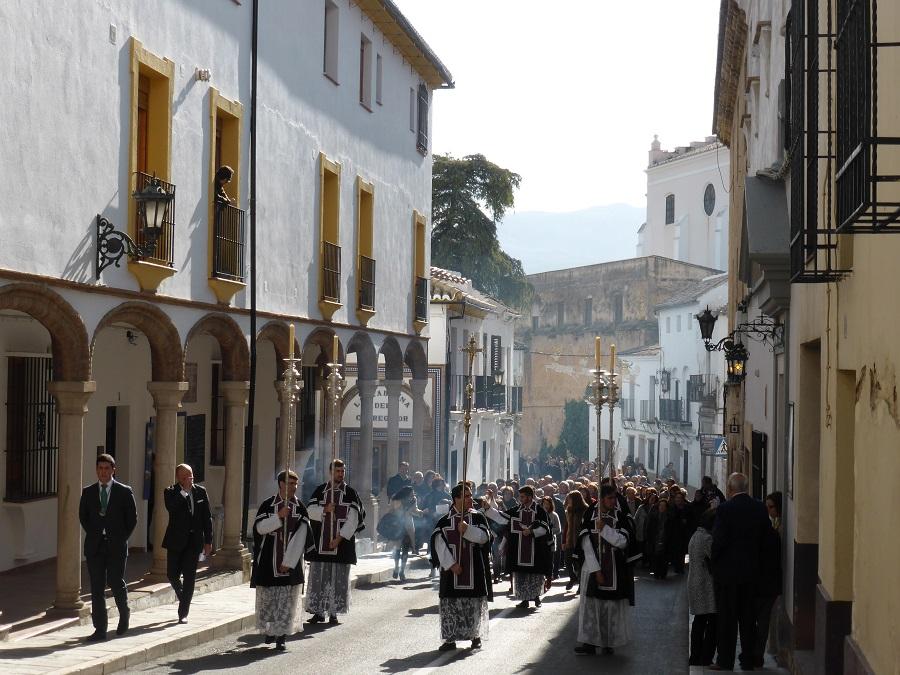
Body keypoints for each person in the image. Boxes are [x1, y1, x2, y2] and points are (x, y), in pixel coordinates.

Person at [710, 473, 770, 671]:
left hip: (728, 575)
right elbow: (766, 539)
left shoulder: (725, 509)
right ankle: (748, 660)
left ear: (729, 488)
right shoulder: (759, 508)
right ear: (747, 487)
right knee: (748, 619)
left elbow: (719, 540)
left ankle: (725, 660)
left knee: (727, 620)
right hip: (752, 573)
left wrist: (714, 564)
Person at [251, 469, 313, 650]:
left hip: (291, 561)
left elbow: (302, 537)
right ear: (281, 484)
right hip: (269, 559)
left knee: (287, 600)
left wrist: (289, 561)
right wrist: (278, 516)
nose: (294, 487)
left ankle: (281, 636)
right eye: (290, 483)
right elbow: (260, 529)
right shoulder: (268, 505)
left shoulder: (300, 507)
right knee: (269, 599)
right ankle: (270, 630)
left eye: (296, 484)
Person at [79, 453, 138, 642]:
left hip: (116, 546)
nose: (103, 472)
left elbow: (132, 519)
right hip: (95, 546)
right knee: (96, 588)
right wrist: (97, 533)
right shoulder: (88, 492)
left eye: (106, 469)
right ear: (96, 470)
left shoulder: (124, 491)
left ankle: (124, 613)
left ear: (113, 470)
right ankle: (100, 629)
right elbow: (84, 516)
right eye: (100, 469)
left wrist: (120, 538)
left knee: (115, 581)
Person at [574, 485, 636, 655]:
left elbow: (623, 542)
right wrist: (597, 571)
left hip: (615, 568)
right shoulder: (589, 515)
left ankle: (609, 641)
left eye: (614, 498)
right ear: (601, 499)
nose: (613, 501)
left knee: (610, 607)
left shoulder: (621, 517)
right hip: (592, 567)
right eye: (609, 498)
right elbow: (586, 545)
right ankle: (590, 642)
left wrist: (605, 530)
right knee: (591, 607)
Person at [430, 483, 494, 651]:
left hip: (474, 568)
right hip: (452, 572)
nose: (470, 498)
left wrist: (467, 530)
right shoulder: (444, 522)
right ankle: (450, 639)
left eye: (470, 495)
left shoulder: (478, 517)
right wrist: (451, 565)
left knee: (473, 603)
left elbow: (485, 538)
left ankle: (475, 636)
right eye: (466, 496)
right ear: (455, 499)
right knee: (451, 604)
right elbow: (439, 544)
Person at [305, 459, 366, 625]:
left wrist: (338, 539)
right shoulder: (320, 491)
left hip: (342, 544)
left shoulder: (350, 493)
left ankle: (333, 612)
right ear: (330, 472)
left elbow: (353, 520)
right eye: (338, 471)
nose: (341, 474)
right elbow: (309, 511)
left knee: (337, 578)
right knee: (320, 578)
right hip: (320, 543)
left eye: (343, 471)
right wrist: (325, 509)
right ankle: (318, 612)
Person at [486, 485, 553, 609]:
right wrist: (488, 508)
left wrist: (532, 532)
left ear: (529, 497)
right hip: (518, 550)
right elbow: (501, 517)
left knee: (535, 574)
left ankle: (536, 597)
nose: (520, 498)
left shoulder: (539, 510)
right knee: (521, 574)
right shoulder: (516, 510)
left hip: (535, 549)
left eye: (522, 496)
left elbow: (545, 528)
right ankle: (524, 599)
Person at [162, 463, 213, 623]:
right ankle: (184, 596)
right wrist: (184, 491)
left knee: (190, 577)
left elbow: (207, 517)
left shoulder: (201, 492)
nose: (188, 479)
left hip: (194, 542)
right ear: (178, 478)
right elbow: (172, 508)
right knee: (172, 574)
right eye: (184, 477)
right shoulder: (170, 492)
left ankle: (183, 613)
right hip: (176, 540)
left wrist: (208, 541)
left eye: (189, 475)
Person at [752, 492, 783, 669]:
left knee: (759, 622)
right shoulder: (774, 529)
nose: (768, 510)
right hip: (769, 585)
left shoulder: (771, 532)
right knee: (762, 622)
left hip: (763, 585)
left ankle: (755, 654)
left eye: (771, 506)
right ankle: (757, 655)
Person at [688, 509, 718, 666]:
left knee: (699, 621)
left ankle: (695, 656)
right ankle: (705, 657)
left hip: (695, 582)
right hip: (705, 585)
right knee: (711, 622)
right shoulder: (707, 538)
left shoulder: (695, 535)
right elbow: (715, 558)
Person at [388, 485, 421, 581]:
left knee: (401, 549)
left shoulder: (408, 499)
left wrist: (420, 512)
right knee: (401, 549)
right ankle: (399, 569)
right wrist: (419, 512)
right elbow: (414, 511)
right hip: (403, 526)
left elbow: (391, 511)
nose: (412, 494)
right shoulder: (401, 499)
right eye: (411, 492)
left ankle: (399, 569)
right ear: (407, 492)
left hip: (402, 526)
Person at [563, 490, 589, 591]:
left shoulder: (585, 510)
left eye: (569, 499)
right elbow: (566, 526)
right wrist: (564, 541)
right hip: (570, 540)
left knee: (580, 563)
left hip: (580, 541)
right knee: (567, 560)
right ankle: (573, 577)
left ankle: (581, 585)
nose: (568, 501)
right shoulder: (568, 510)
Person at [541, 496, 563, 582]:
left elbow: (558, 529)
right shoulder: (539, 514)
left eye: (548, 504)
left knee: (550, 560)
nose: (546, 505)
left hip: (550, 541)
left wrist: (548, 530)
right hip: (540, 541)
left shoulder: (554, 515)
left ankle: (550, 576)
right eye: (544, 504)